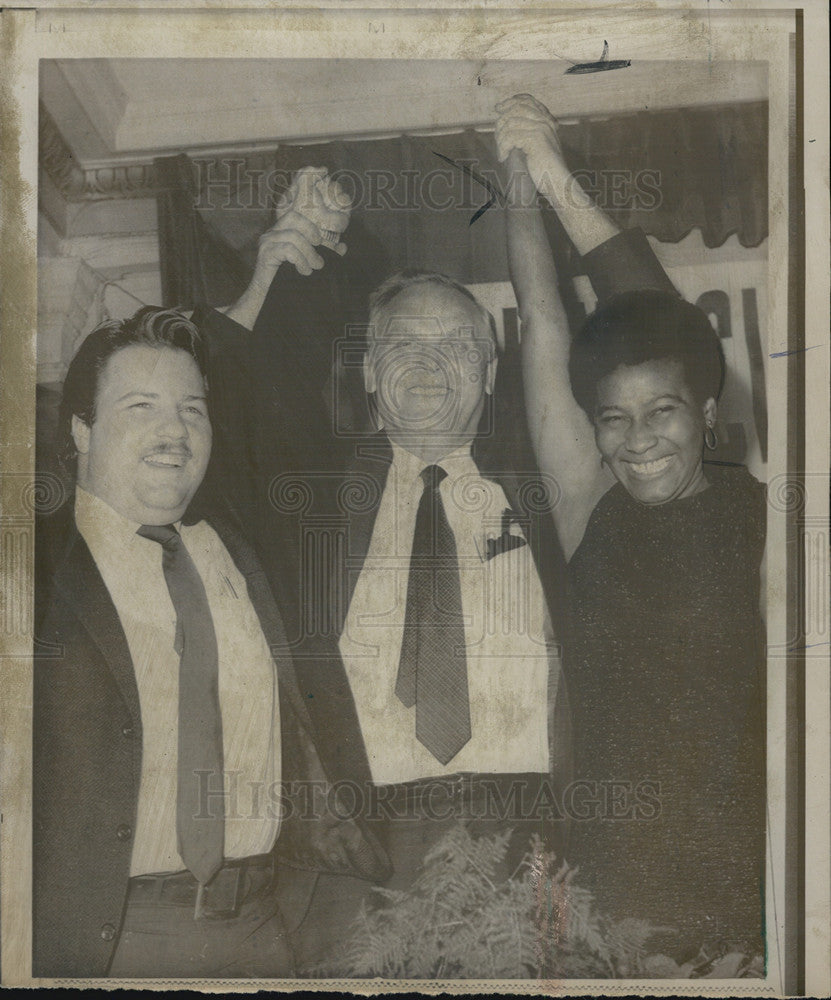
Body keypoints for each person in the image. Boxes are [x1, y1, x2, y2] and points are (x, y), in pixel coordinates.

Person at [196, 167, 575, 971]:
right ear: (367, 371)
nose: (429, 361)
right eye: (402, 343)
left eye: (456, 345)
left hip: (532, 843)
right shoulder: (309, 505)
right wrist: (268, 272)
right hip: (359, 856)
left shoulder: (549, 501)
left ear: (491, 370)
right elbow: (213, 418)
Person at [32, 307, 389, 979]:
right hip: (100, 939)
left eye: (193, 411)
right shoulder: (31, 567)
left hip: (265, 926)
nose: (174, 431)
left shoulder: (236, 550)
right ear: (82, 429)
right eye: (141, 406)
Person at [495, 94, 766, 957]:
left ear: (709, 415)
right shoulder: (589, 511)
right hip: (617, 886)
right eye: (613, 418)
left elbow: (660, 317)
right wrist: (517, 176)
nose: (638, 438)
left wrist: (558, 173)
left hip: (747, 878)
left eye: (663, 411)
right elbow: (543, 323)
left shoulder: (760, 514)